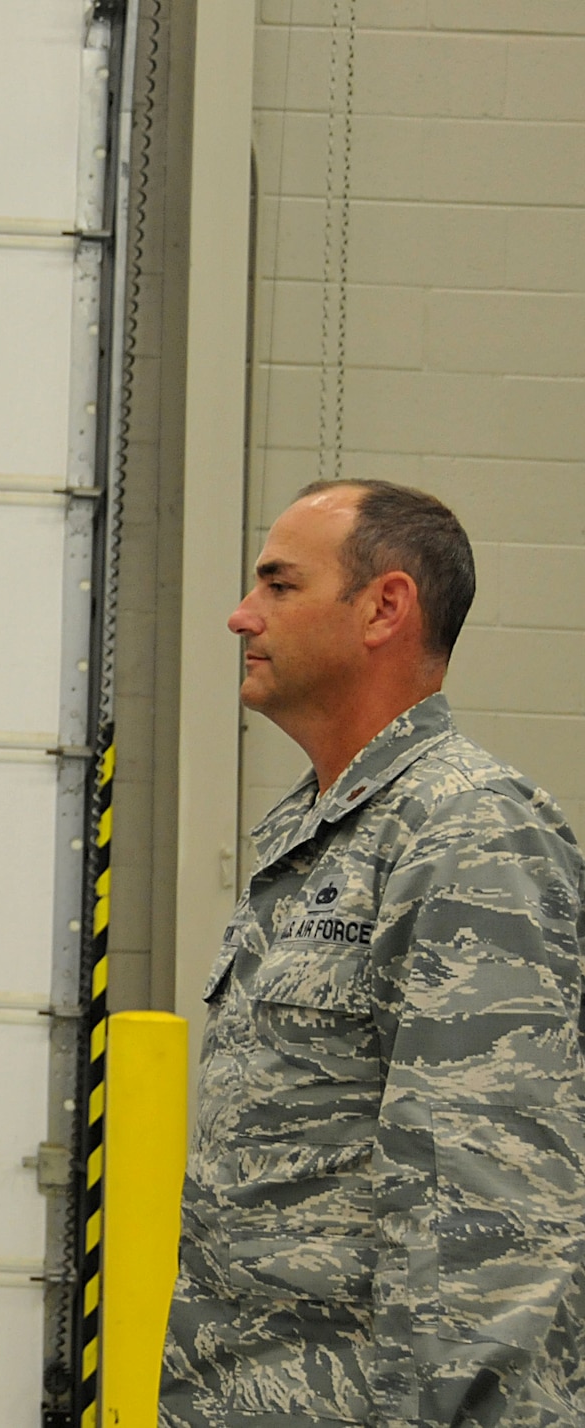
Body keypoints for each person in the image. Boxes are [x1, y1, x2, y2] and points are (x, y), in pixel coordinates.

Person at [160, 481, 585, 1426]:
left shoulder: (467, 830)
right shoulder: (315, 833)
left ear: (384, 607)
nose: (241, 615)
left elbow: (489, 1209)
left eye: (278, 584)